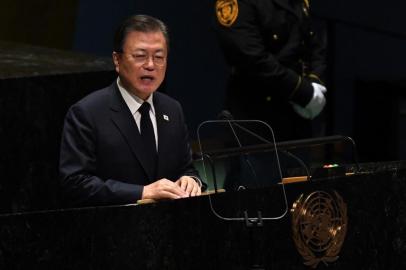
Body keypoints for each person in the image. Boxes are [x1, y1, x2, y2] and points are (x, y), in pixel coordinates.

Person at [59, 14, 204, 207]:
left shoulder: (172, 109)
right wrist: (142, 192)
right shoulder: (87, 113)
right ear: (117, 60)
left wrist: (191, 181)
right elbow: (75, 183)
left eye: (159, 57)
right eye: (140, 56)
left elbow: (186, 168)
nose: (151, 65)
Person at [214, 0, 327, 142]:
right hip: (257, 121)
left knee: (300, 163)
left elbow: (313, 43)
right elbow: (250, 58)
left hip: (297, 118)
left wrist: (316, 82)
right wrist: (304, 93)